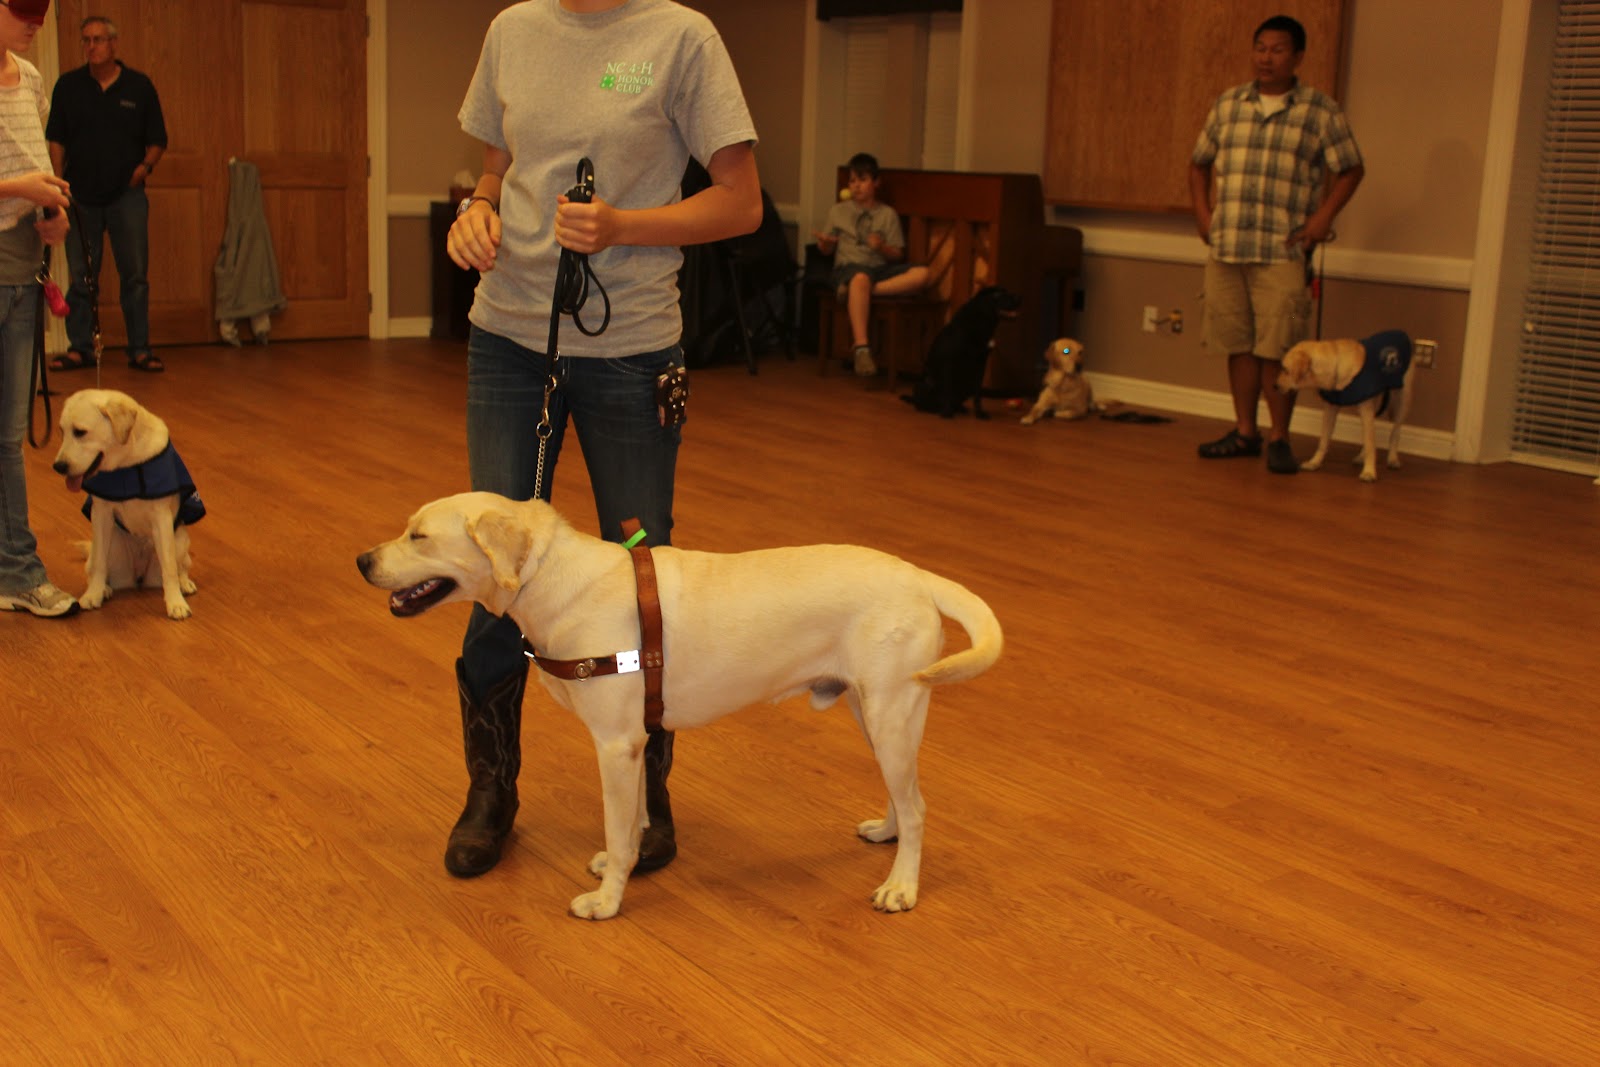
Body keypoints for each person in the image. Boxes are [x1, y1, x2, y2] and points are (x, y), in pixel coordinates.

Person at [441, 0, 761, 879]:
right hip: (508, 340)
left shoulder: (681, 37)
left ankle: (646, 792)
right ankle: (492, 790)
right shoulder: (513, 29)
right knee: (496, 563)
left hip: (631, 355)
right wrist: (477, 208)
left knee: (642, 577)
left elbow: (742, 203)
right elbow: (497, 164)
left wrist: (624, 226)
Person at [1188, 15, 1363, 474]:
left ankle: (1279, 437)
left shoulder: (1319, 111)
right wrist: (1203, 216)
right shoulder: (1228, 105)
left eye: (1278, 49)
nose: (1267, 57)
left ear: (1298, 57)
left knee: (1281, 346)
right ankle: (1245, 431)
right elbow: (1198, 163)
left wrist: (1322, 218)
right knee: (1238, 343)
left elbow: (1350, 168)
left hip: (1283, 252)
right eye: (1260, 48)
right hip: (1228, 248)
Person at [0, 0, 79, 619]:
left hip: (23, 269)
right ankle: (19, 569)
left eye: (44, 7)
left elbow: (37, 168)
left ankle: (16, 571)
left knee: (6, 436)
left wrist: (50, 210)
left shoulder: (28, 78)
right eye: (24, 6)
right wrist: (18, 189)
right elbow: (19, 178)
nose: (37, 19)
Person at [45, 14, 167, 374]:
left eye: (98, 39)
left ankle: (140, 349)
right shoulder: (68, 87)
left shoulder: (138, 87)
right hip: (81, 197)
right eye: (86, 40)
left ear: (114, 44)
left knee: (135, 276)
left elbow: (158, 140)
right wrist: (56, 183)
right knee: (83, 276)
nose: (91, 46)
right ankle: (80, 348)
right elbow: (57, 138)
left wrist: (143, 169)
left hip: (126, 197)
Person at [812, 152, 929, 376]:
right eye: (852, 181)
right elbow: (826, 250)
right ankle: (862, 348)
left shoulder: (887, 214)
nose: (856, 186)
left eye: (862, 180)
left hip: (879, 269)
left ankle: (857, 293)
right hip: (849, 267)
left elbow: (897, 254)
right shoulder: (838, 211)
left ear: (876, 183)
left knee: (923, 274)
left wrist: (881, 248)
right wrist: (825, 244)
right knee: (860, 278)